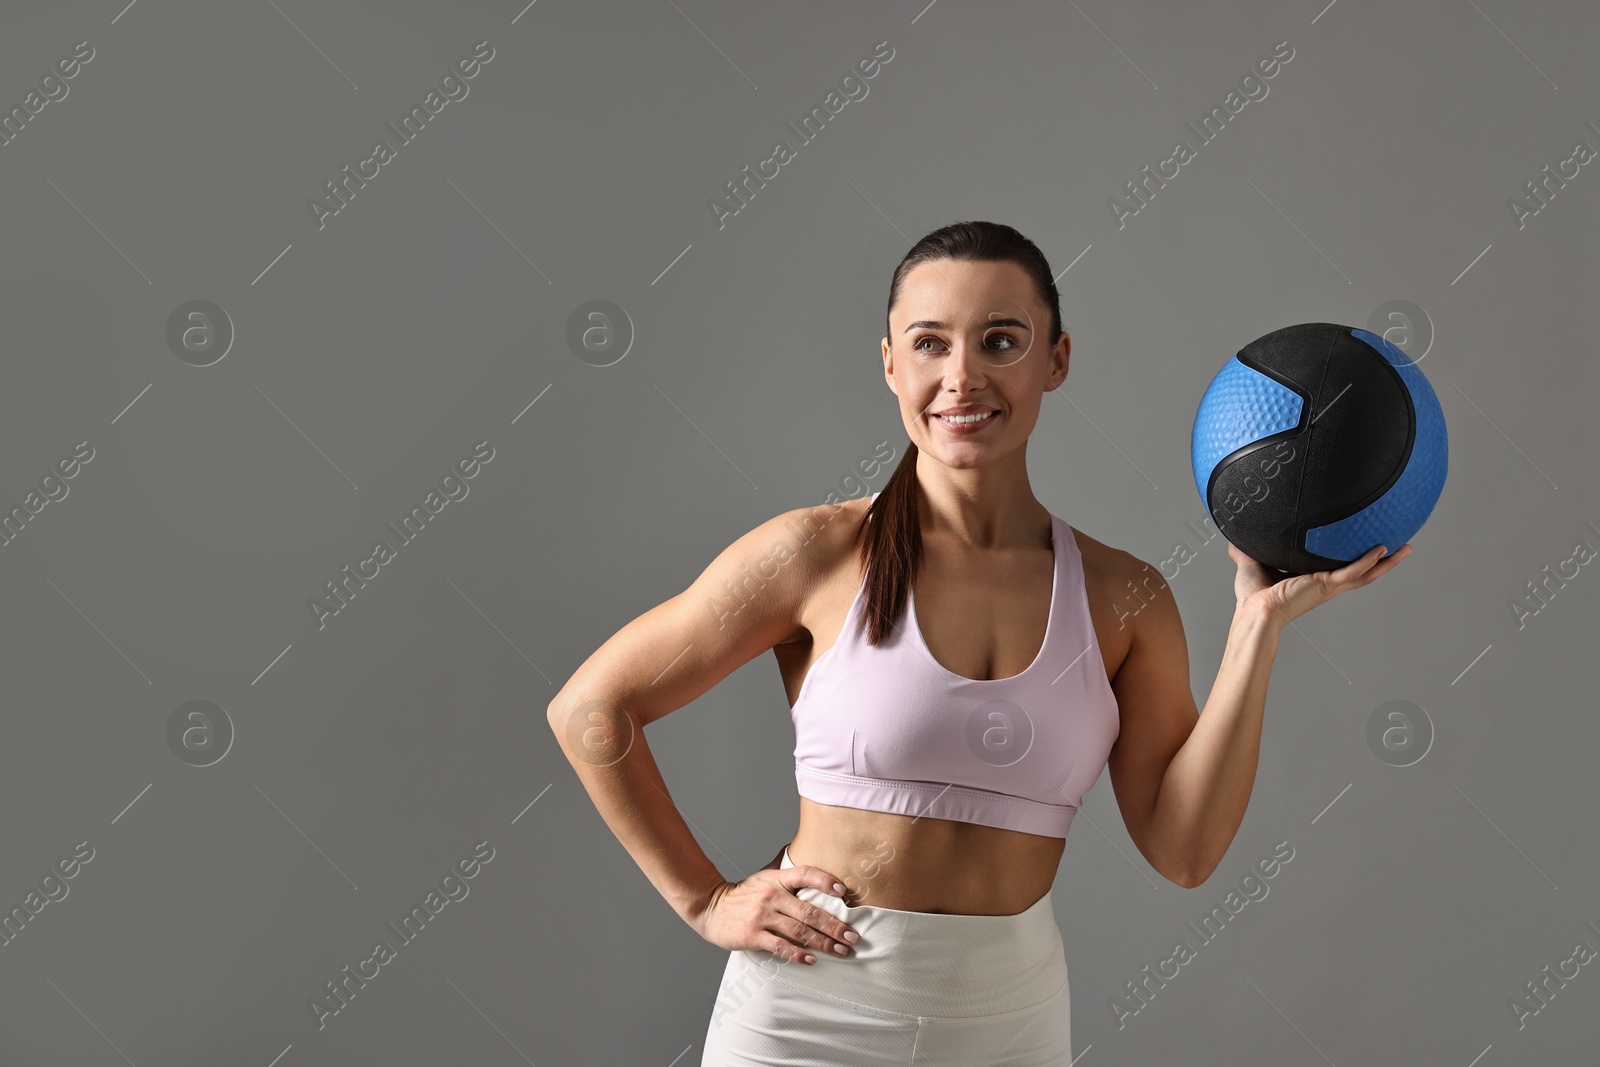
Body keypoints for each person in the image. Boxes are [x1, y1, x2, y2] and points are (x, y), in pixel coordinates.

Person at [546, 220, 1411, 1065]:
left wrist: (1257, 626)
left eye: (1001, 341)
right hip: (806, 1020)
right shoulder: (814, 554)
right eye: (929, 344)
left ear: (1055, 360)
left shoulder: (1126, 596)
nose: (961, 377)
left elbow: (1183, 851)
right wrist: (706, 900)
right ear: (890, 363)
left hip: (1010, 1021)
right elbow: (592, 707)